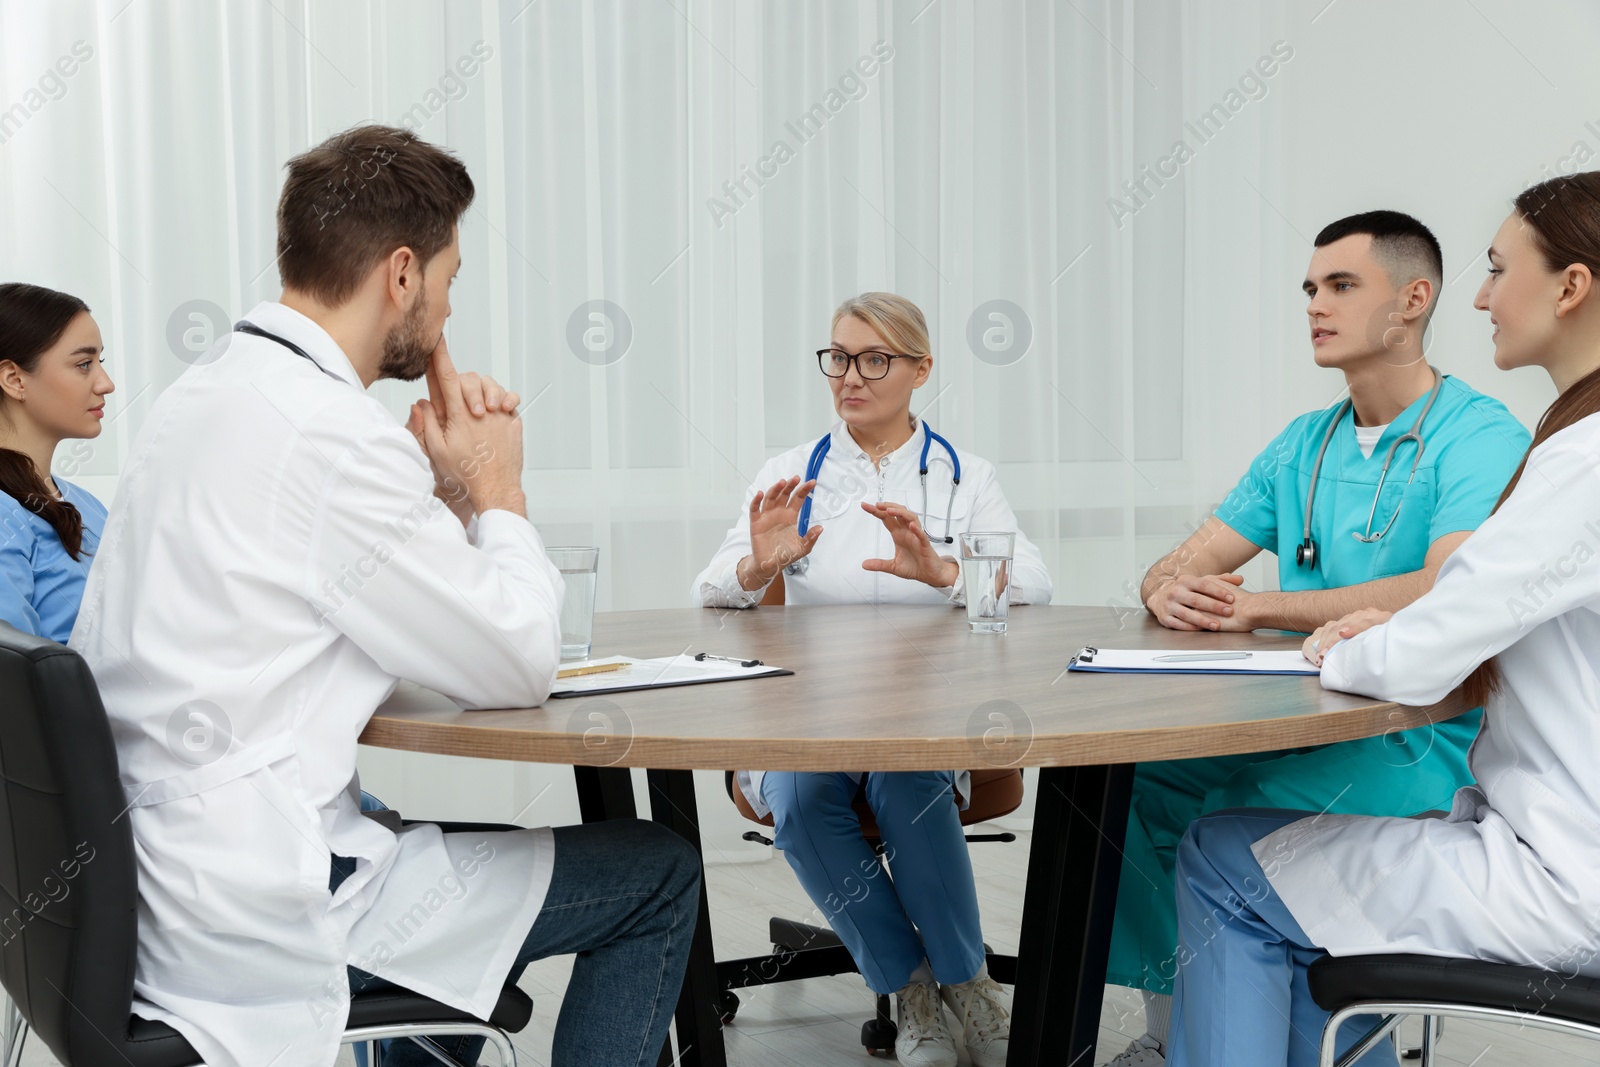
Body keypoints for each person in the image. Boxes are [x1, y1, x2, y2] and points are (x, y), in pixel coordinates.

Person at [69, 125, 699, 1067]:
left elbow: (375, 604)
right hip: (261, 902)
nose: (447, 306)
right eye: (450, 274)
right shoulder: (332, 436)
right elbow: (519, 659)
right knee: (660, 873)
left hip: (162, 879)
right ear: (402, 273)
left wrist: (440, 501)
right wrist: (499, 493)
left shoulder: (206, 396)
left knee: (441, 865)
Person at [1166, 171, 1600, 1066]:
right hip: (1539, 829)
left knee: (1221, 856)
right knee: (1200, 814)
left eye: (1496, 268)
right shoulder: (1561, 443)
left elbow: (1438, 629)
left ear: (1571, 286)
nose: (1480, 296)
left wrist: (1333, 642)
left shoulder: (1565, 457)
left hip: (1556, 871)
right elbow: (1463, 606)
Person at [693, 292, 1052, 1067]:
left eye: (874, 358)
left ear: (921, 368)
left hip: (922, 716)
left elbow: (1038, 584)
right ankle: (918, 985)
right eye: (839, 357)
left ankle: (971, 982)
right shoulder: (793, 473)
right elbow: (712, 590)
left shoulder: (964, 477)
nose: (850, 376)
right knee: (800, 793)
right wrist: (761, 564)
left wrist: (947, 570)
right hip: (809, 719)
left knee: (904, 776)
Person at [0, 283, 114, 643]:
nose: (106, 384)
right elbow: (16, 684)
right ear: (14, 379)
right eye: (83, 364)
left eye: (100, 362)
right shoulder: (6, 521)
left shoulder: (87, 506)